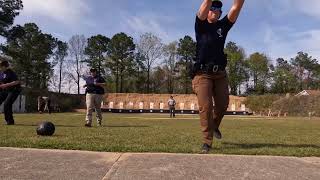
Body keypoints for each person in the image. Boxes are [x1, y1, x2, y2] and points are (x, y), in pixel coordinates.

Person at [192, 0, 245, 153]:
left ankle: (214, 125)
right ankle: (207, 142)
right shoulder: (201, 25)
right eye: (212, 8)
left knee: (223, 104)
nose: (214, 10)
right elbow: (202, 10)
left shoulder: (223, 26)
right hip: (202, 74)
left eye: (218, 9)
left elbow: (236, 7)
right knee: (206, 107)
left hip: (220, 74)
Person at [0, 59, 22, 125]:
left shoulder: (11, 72)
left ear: (4, 66)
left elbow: (17, 82)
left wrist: (6, 85)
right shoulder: (1, 73)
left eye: (1, 66)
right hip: (6, 90)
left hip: (14, 90)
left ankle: (10, 121)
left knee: (7, 104)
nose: (0, 68)